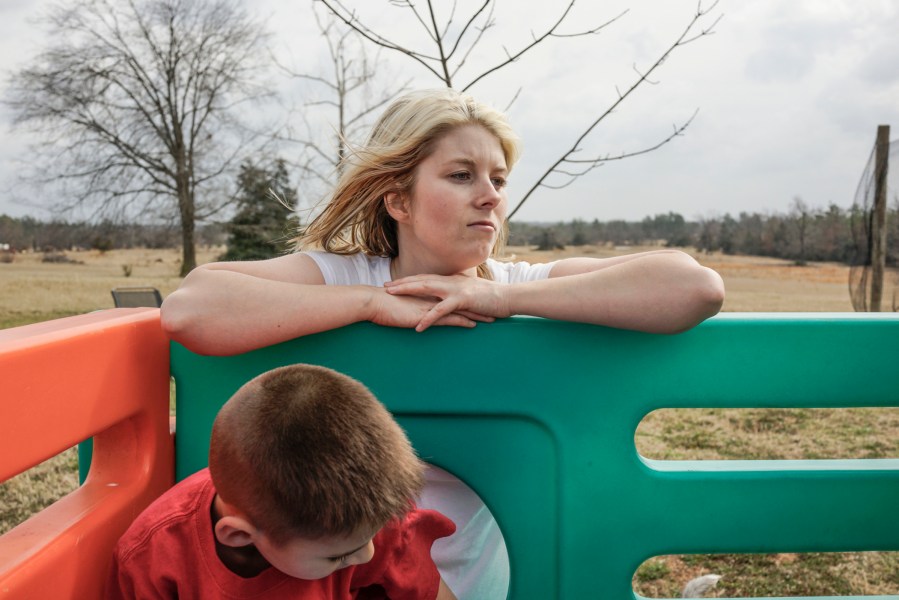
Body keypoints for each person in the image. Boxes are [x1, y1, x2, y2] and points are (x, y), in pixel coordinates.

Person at [160, 88, 726, 598]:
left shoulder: (516, 285)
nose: (490, 198)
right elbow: (191, 309)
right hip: (326, 579)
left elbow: (694, 287)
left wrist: (501, 301)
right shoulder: (345, 278)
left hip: (473, 585)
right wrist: (371, 303)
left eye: (498, 180)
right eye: (461, 176)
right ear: (398, 201)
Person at [106, 364, 457, 600]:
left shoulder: (367, 521)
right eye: (337, 557)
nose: (366, 555)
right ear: (240, 534)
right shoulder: (153, 557)